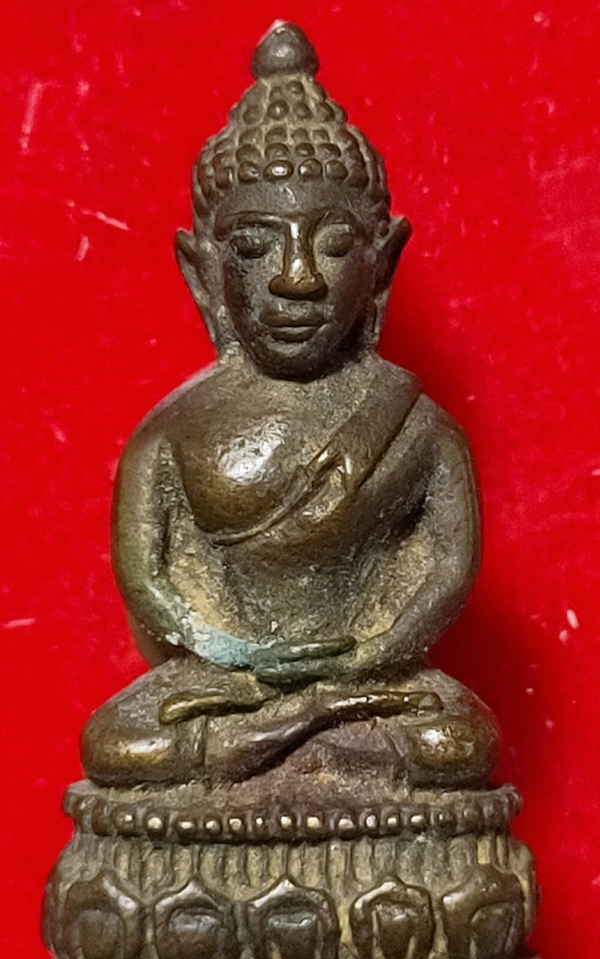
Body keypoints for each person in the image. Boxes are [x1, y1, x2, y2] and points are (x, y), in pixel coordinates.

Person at [82, 24, 497, 790]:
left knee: (457, 739)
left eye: (334, 245)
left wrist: (371, 655)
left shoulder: (417, 426)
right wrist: (241, 660)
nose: (296, 278)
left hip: (367, 681)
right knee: (116, 743)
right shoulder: (171, 434)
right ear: (203, 270)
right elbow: (150, 583)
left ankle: (282, 746)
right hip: (227, 683)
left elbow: (448, 567)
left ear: (382, 264)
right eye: (254, 248)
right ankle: (282, 742)